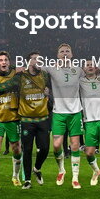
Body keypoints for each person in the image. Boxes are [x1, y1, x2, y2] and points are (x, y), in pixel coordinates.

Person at [39, 43, 84, 188]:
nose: (65, 53)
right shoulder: (52, 68)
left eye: (67, 51)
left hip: (75, 112)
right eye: (62, 51)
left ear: (71, 55)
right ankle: (61, 170)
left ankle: (75, 177)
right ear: (58, 55)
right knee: (57, 145)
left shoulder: (78, 70)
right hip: (58, 113)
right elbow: (34, 68)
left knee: (75, 146)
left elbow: (93, 74)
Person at [0, 52, 24, 189]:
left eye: (6, 60)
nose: (3, 62)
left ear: (9, 62)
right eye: (0, 60)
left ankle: (15, 176)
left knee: (17, 149)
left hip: (13, 118)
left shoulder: (16, 73)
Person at [16, 52, 52, 189]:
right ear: (29, 62)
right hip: (26, 119)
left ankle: (36, 168)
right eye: (35, 59)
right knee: (27, 149)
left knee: (44, 148)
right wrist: (14, 69)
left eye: (40, 59)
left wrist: (49, 94)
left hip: (43, 118)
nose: (38, 61)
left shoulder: (45, 75)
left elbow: (54, 88)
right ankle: (27, 181)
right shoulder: (21, 76)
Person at [80, 60, 100, 187]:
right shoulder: (80, 81)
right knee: (89, 153)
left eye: (92, 64)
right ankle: (96, 171)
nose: (90, 66)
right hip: (89, 122)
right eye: (87, 65)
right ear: (83, 69)